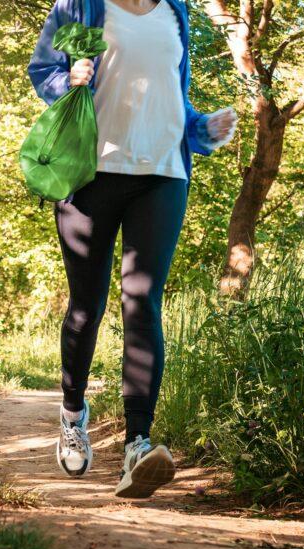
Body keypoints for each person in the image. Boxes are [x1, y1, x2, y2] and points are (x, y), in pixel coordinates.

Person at [29, 0, 236, 498]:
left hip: (163, 173)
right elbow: (43, 70)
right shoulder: (79, 5)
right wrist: (68, 79)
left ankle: (137, 445)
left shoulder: (177, 12)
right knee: (86, 307)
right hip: (90, 170)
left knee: (142, 303)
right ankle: (73, 414)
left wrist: (202, 128)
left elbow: (170, 96)